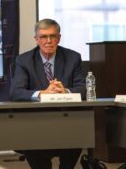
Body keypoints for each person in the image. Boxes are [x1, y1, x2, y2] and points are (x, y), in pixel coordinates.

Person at [10, 18, 86, 169]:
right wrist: (42, 93)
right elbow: (16, 92)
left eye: (53, 36)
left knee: (78, 134)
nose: (49, 41)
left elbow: (84, 89)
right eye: (43, 37)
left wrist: (65, 91)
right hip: (36, 122)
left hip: (68, 121)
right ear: (36, 39)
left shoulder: (73, 58)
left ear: (59, 38)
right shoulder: (24, 60)